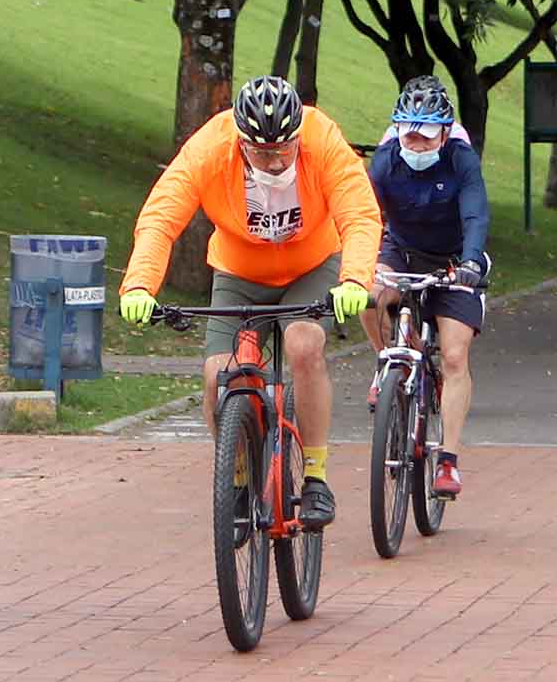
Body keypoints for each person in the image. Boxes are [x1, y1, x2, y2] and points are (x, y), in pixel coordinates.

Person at [119, 75, 382, 528]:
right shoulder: (211, 147)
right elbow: (162, 214)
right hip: (240, 271)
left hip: (309, 265)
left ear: (299, 134)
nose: (275, 160)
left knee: (302, 344)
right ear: (240, 140)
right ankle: (237, 478)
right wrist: (140, 286)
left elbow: (359, 214)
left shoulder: (322, 139)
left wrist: (355, 279)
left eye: (284, 148)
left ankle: (316, 478)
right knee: (216, 373)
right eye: (261, 151)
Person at [363, 76, 491, 499]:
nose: (416, 144)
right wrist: (359, 260)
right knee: (367, 294)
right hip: (401, 249)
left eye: (425, 136)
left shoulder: (460, 160)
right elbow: (363, 214)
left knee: (454, 355)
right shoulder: (384, 162)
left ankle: (448, 462)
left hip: (453, 260)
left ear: (443, 133)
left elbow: (475, 214)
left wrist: (471, 263)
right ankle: (388, 362)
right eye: (409, 134)